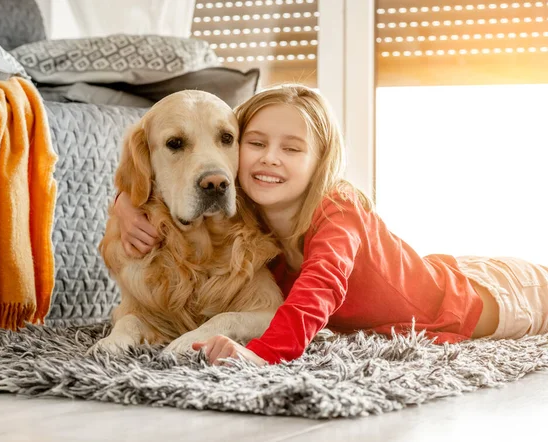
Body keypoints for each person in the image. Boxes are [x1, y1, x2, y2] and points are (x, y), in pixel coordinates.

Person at [111, 84, 548, 366]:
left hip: (486, 301)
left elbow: (319, 292)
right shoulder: (250, 199)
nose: (269, 159)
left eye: (292, 148)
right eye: (255, 143)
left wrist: (261, 356)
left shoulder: (338, 209)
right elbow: (166, 180)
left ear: (321, 162)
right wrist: (123, 205)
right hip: (437, 268)